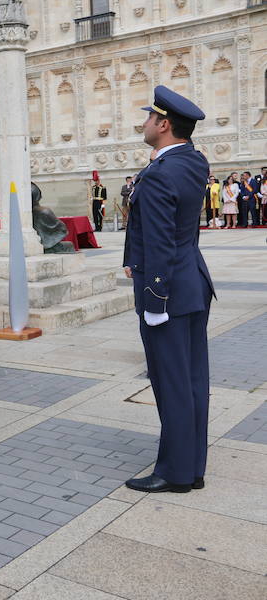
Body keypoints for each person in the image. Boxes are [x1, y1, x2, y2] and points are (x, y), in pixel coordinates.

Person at [122, 85, 214, 494]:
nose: (143, 123)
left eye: (148, 117)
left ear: (164, 124)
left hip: (169, 292)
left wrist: (154, 298)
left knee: (171, 382)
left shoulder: (160, 171)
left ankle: (174, 473)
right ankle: (192, 467)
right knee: (192, 380)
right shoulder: (193, 162)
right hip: (192, 281)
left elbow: (159, 239)